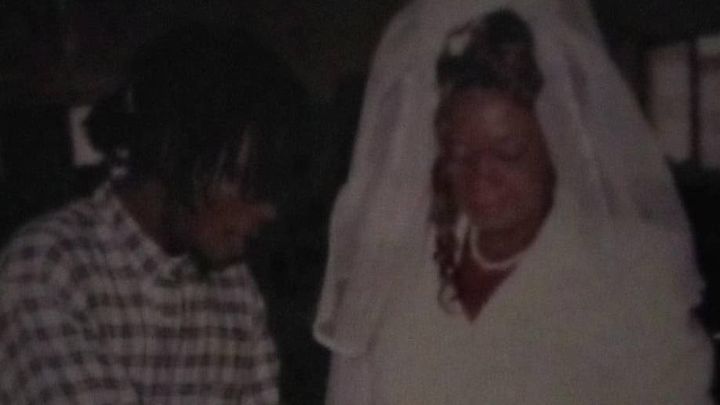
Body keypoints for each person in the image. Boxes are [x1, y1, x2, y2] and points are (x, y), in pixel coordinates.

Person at [313, 1, 714, 403]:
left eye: (508, 152)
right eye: (461, 155)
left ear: (554, 147)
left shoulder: (634, 274)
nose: (481, 175)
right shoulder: (402, 270)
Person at [0, 25, 299, 404]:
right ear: (174, 152)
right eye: (251, 183)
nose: (269, 211)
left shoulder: (235, 289)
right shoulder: (49, 267)